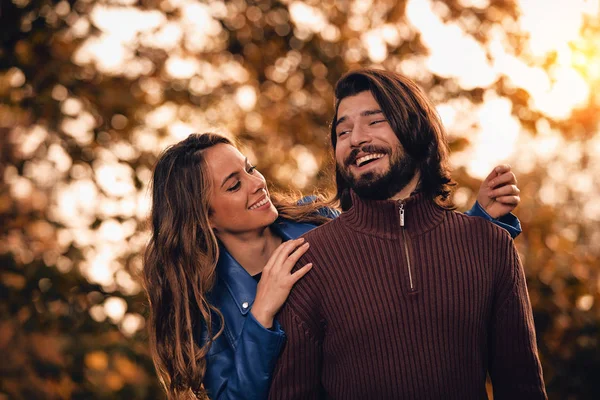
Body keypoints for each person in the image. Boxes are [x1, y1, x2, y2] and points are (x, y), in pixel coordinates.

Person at [143, 131, 522, 400]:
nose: (256, 183)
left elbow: (408, 267)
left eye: (249, 168)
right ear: (203, 217)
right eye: (233, 185)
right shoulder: (204, 309)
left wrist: (483, 222)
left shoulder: (321, 222)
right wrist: (261, 313)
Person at [268, 69, 546, 400]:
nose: (356, 138)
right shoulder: (309, 259)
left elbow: (522, 387)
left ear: (414, 129)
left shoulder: (491, 245)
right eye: (343, 131)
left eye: (374, 121)